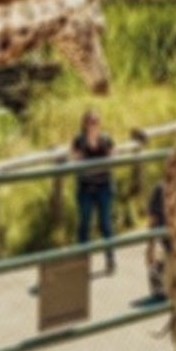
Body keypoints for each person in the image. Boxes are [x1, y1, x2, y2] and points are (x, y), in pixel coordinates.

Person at [71, 110, 117, 272]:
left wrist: (95, 160)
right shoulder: (79, 141)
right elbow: (76, 160)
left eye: (96, 122)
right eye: (90, 122)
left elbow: (112, 159)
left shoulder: (106, 139)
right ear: (84, 124)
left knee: (105, 223)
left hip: (103, 187)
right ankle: (82, 262)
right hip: (86, 189)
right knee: (84, 225)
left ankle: (110, 259)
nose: (93, 125)